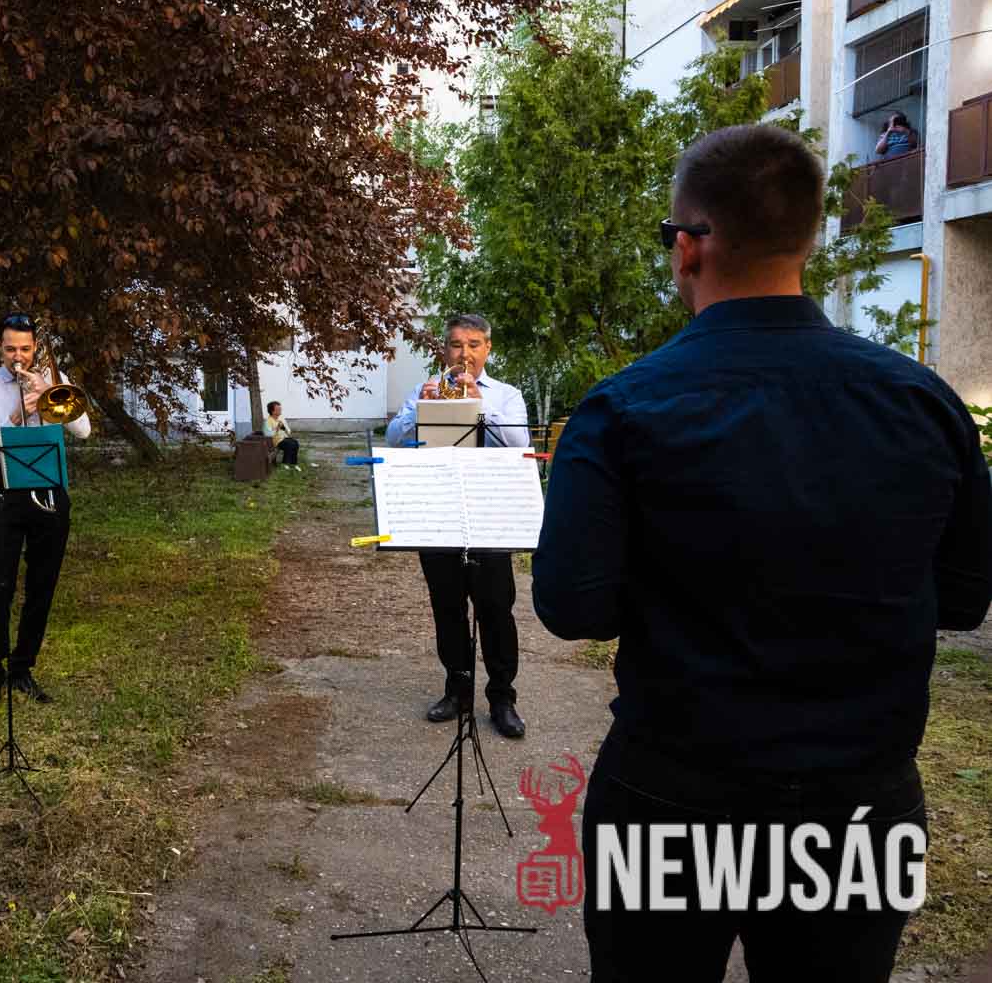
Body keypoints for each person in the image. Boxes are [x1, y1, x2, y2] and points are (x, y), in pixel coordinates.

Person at [533, 124, 992, 982]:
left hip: (673, 800)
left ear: (690, 247)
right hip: (862, 809)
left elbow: (572, 607)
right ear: (807, 240)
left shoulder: (622, 409)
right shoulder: (926, 403)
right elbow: (965, 599)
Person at [385, 314, 529, 738]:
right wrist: (422, 408)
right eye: (455, 345)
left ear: (488, 349)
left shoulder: (506, 396)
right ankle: (457, 690)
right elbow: (393, 438)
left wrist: (479, 404)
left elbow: (519, 444)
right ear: (444, 349)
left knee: (496, 609)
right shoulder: (424, 389)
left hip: (489, 514)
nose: (464, 354)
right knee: (447, 607)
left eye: (473, 344)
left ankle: (502, 697)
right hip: (439, 510)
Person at [0, 313, 92, 713]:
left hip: (48, 494)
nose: (17, 357)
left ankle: (23, 668)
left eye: (24, 348)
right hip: (2, 497)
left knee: (42, 586)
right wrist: (21, 412)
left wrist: (49, 390)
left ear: (35, 347)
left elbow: (84, 431)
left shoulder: (53, 377)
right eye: (10, 349)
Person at [265, 401, 299, 468]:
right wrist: (277, 428)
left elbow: (288, 431)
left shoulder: (280, 418)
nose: (280, 410)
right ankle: (285, 464)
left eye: (280, 408)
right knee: (289, 444)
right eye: (278, 409)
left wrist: (283, 427)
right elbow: (269, 434)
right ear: (273, 411)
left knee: (295, 443)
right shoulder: (268, 421)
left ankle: (293, 463)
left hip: (284, 438)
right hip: (276, 441)